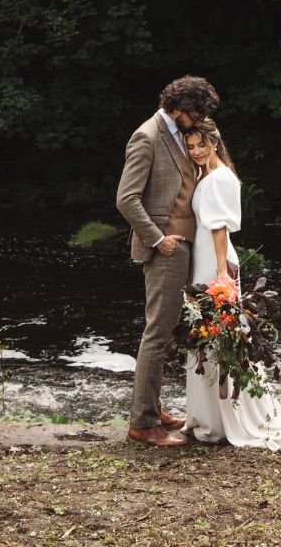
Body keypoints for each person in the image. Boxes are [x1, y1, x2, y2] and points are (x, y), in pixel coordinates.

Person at [180, 121, 281, 455]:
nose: (196, 151)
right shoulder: (209, 175)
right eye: (191, 146)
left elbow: (219, 228)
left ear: (215, 142)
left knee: (222, 332)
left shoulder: (218, 178)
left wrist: (222, 274)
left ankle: (231, 418)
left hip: (215, 261)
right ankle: (211, 418)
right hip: (205, 259)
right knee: (208, 336)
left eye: (201, 145)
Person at [114, 75, 218, 447]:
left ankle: (154, 410)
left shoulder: (177, 130)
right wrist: (159, 241)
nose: (200, 119)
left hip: (186, 243)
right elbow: (126, 199)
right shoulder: (146, 136)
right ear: (176, 108)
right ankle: (142, 425)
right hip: (165, 247)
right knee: (157, 333)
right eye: (196, 112)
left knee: (168, 332)